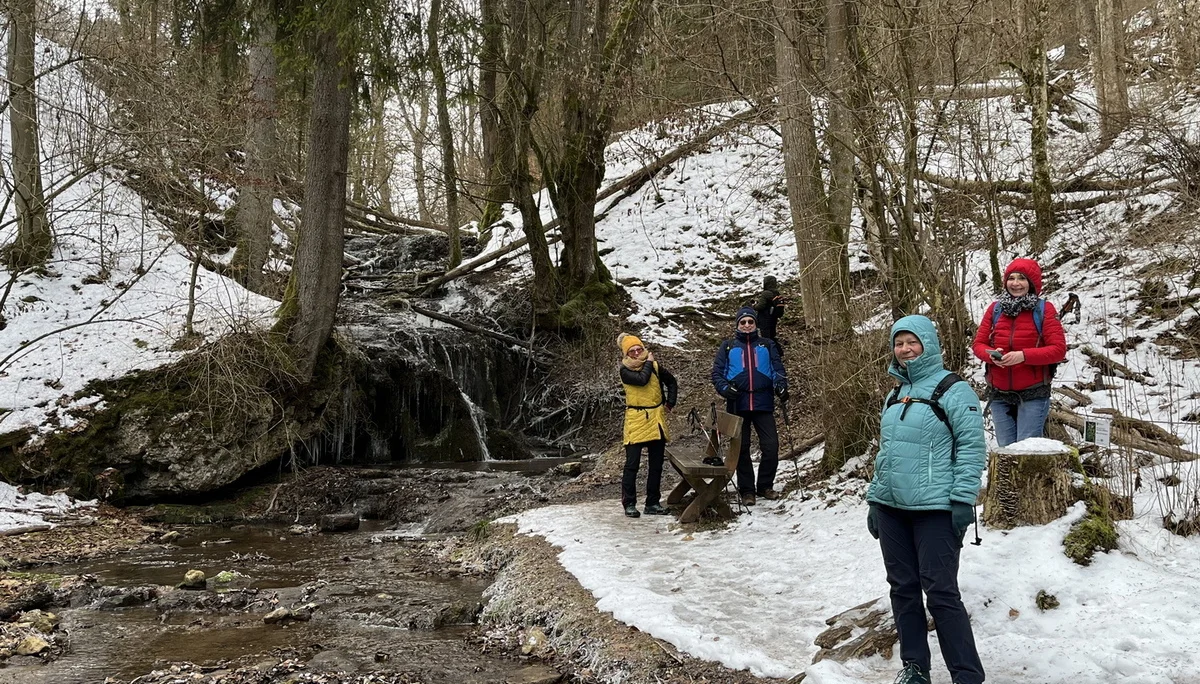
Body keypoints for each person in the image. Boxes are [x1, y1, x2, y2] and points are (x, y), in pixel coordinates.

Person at [867, 315, 987, 684]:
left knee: (941, 592)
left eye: (911, 342)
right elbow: (885, 452)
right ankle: (915, 667)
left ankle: (966, 674)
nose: (905, 350)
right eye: (898, 343)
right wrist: (875, 498)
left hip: (936, 509)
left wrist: (964, 498)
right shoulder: (894, 393)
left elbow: (971, 448)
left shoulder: (954, 389)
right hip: (891, 507)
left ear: (928, 344)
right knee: (902, 588)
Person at [971, 258, 1067, 446]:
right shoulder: (995, 309)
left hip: (1033, 394)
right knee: (1006, 453)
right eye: (1011, 278)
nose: (1015, 283)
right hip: (999, 394)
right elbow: (978, 344)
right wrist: (991, 355)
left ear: (1032, 283)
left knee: (1026, 452)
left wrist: (1023, 356)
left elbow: (1058, 350)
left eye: (1022, 278)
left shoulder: (1044, 309)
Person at [710, 307, 788, 506]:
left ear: (755, 324)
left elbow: (777, 369)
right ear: (737, 325)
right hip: (738, 404)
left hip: (763, 402)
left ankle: (764, 486)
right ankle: (747, 490)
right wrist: (725, 389)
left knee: (771, 447)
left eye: (750, 322)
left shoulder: (767, 345)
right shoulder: (728, 346)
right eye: (742, 322)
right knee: (742, 449)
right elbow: (717, 373)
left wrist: (781, 386)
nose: (746, 325)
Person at [618, 333, 678, 518]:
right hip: (636, 419)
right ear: (627, 354)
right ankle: (629, 503)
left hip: (656, 419)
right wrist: (649, 363)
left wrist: (669, 403)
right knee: (632, 464)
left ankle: (652, 502)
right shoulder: (625, 370)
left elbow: (672, 382)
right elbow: (642, 380)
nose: (637, 352)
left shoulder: (655, 366)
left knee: (656, 464)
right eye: (632, 351)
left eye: (639, 349)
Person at [753, 275, 786, 342]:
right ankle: (775, 349)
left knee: (766, 338)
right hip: (773, 318)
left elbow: (761, 306)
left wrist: (754, 306)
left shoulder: (765, 293)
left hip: (765, 319)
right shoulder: (777, 293)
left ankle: (769, 350)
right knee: (772, 336)